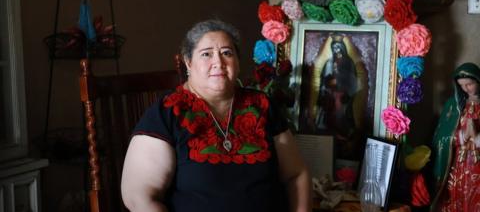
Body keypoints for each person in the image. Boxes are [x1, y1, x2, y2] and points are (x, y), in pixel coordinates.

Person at [121, 19, 312, 212]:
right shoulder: (168, 112)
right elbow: (138, 198)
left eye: (227, 53)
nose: (218, 62)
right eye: (206, 54)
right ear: (188, 63)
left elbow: (296, 174)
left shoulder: (261, 105)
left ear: (237, 62)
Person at [308, 34, 367, 160]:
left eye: (338, 49)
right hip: (330, 99)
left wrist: (340, 81)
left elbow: (352, 82)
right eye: (334, 49)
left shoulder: (348, 62)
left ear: (343, 49)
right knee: (328, 120)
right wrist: (328, 84)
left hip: (343, 99)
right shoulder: (329, 63)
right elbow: (324, 80)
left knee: (343, 119)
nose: (336, 52)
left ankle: (345, 140)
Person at [431, 62, 480, 211]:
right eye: (462, 85)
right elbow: (441, 135)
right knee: (455, 195)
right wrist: (462, 135)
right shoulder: (454, 105)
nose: (466, 89)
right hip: (457, 163)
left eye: (469, 84)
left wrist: (477, 137)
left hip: (477, 164)